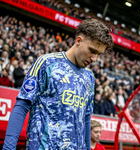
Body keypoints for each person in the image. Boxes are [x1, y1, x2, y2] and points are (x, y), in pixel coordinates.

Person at [3, 19, 113, 150]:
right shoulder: (47, 63)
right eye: (92, 51)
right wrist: (8, 148)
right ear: (78, 41)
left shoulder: (89, 77)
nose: (94, 59)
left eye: (98, 54)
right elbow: (21, 107)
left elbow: (86, 119)